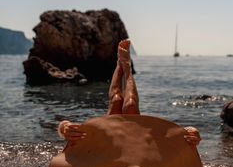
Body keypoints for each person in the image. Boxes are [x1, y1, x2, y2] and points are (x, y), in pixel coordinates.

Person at [58, 39, 201, 147]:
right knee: (128, 103)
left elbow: (65, 128)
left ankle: (122, 66)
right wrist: (191, 132)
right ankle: (126, 69)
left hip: (110, 147)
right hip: (133, 145)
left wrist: (65, 128)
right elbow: (180, 137)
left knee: (117, 101)